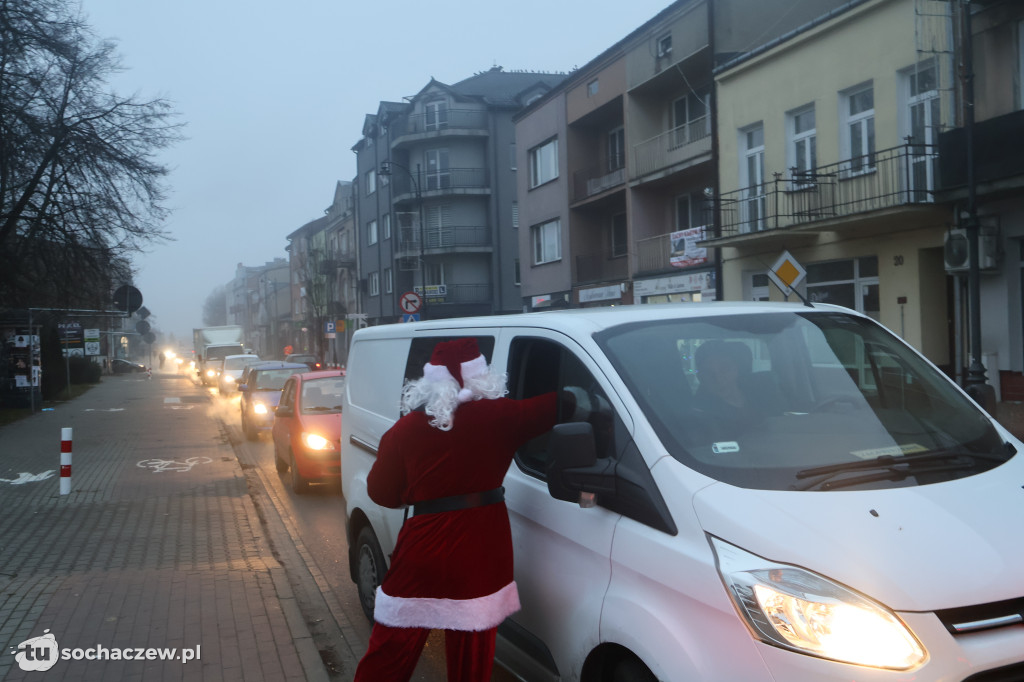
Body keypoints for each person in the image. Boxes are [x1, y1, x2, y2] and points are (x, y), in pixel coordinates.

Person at [353, 338, 564, 682]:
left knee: (390, 651)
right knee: (472, 661)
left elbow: (381, 493)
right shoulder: (504, 417)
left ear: (431, 381)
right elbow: (560, 404)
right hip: (482, 553)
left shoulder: (403, 431)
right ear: (480, 375)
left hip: (423, 551)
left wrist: (416, 490)